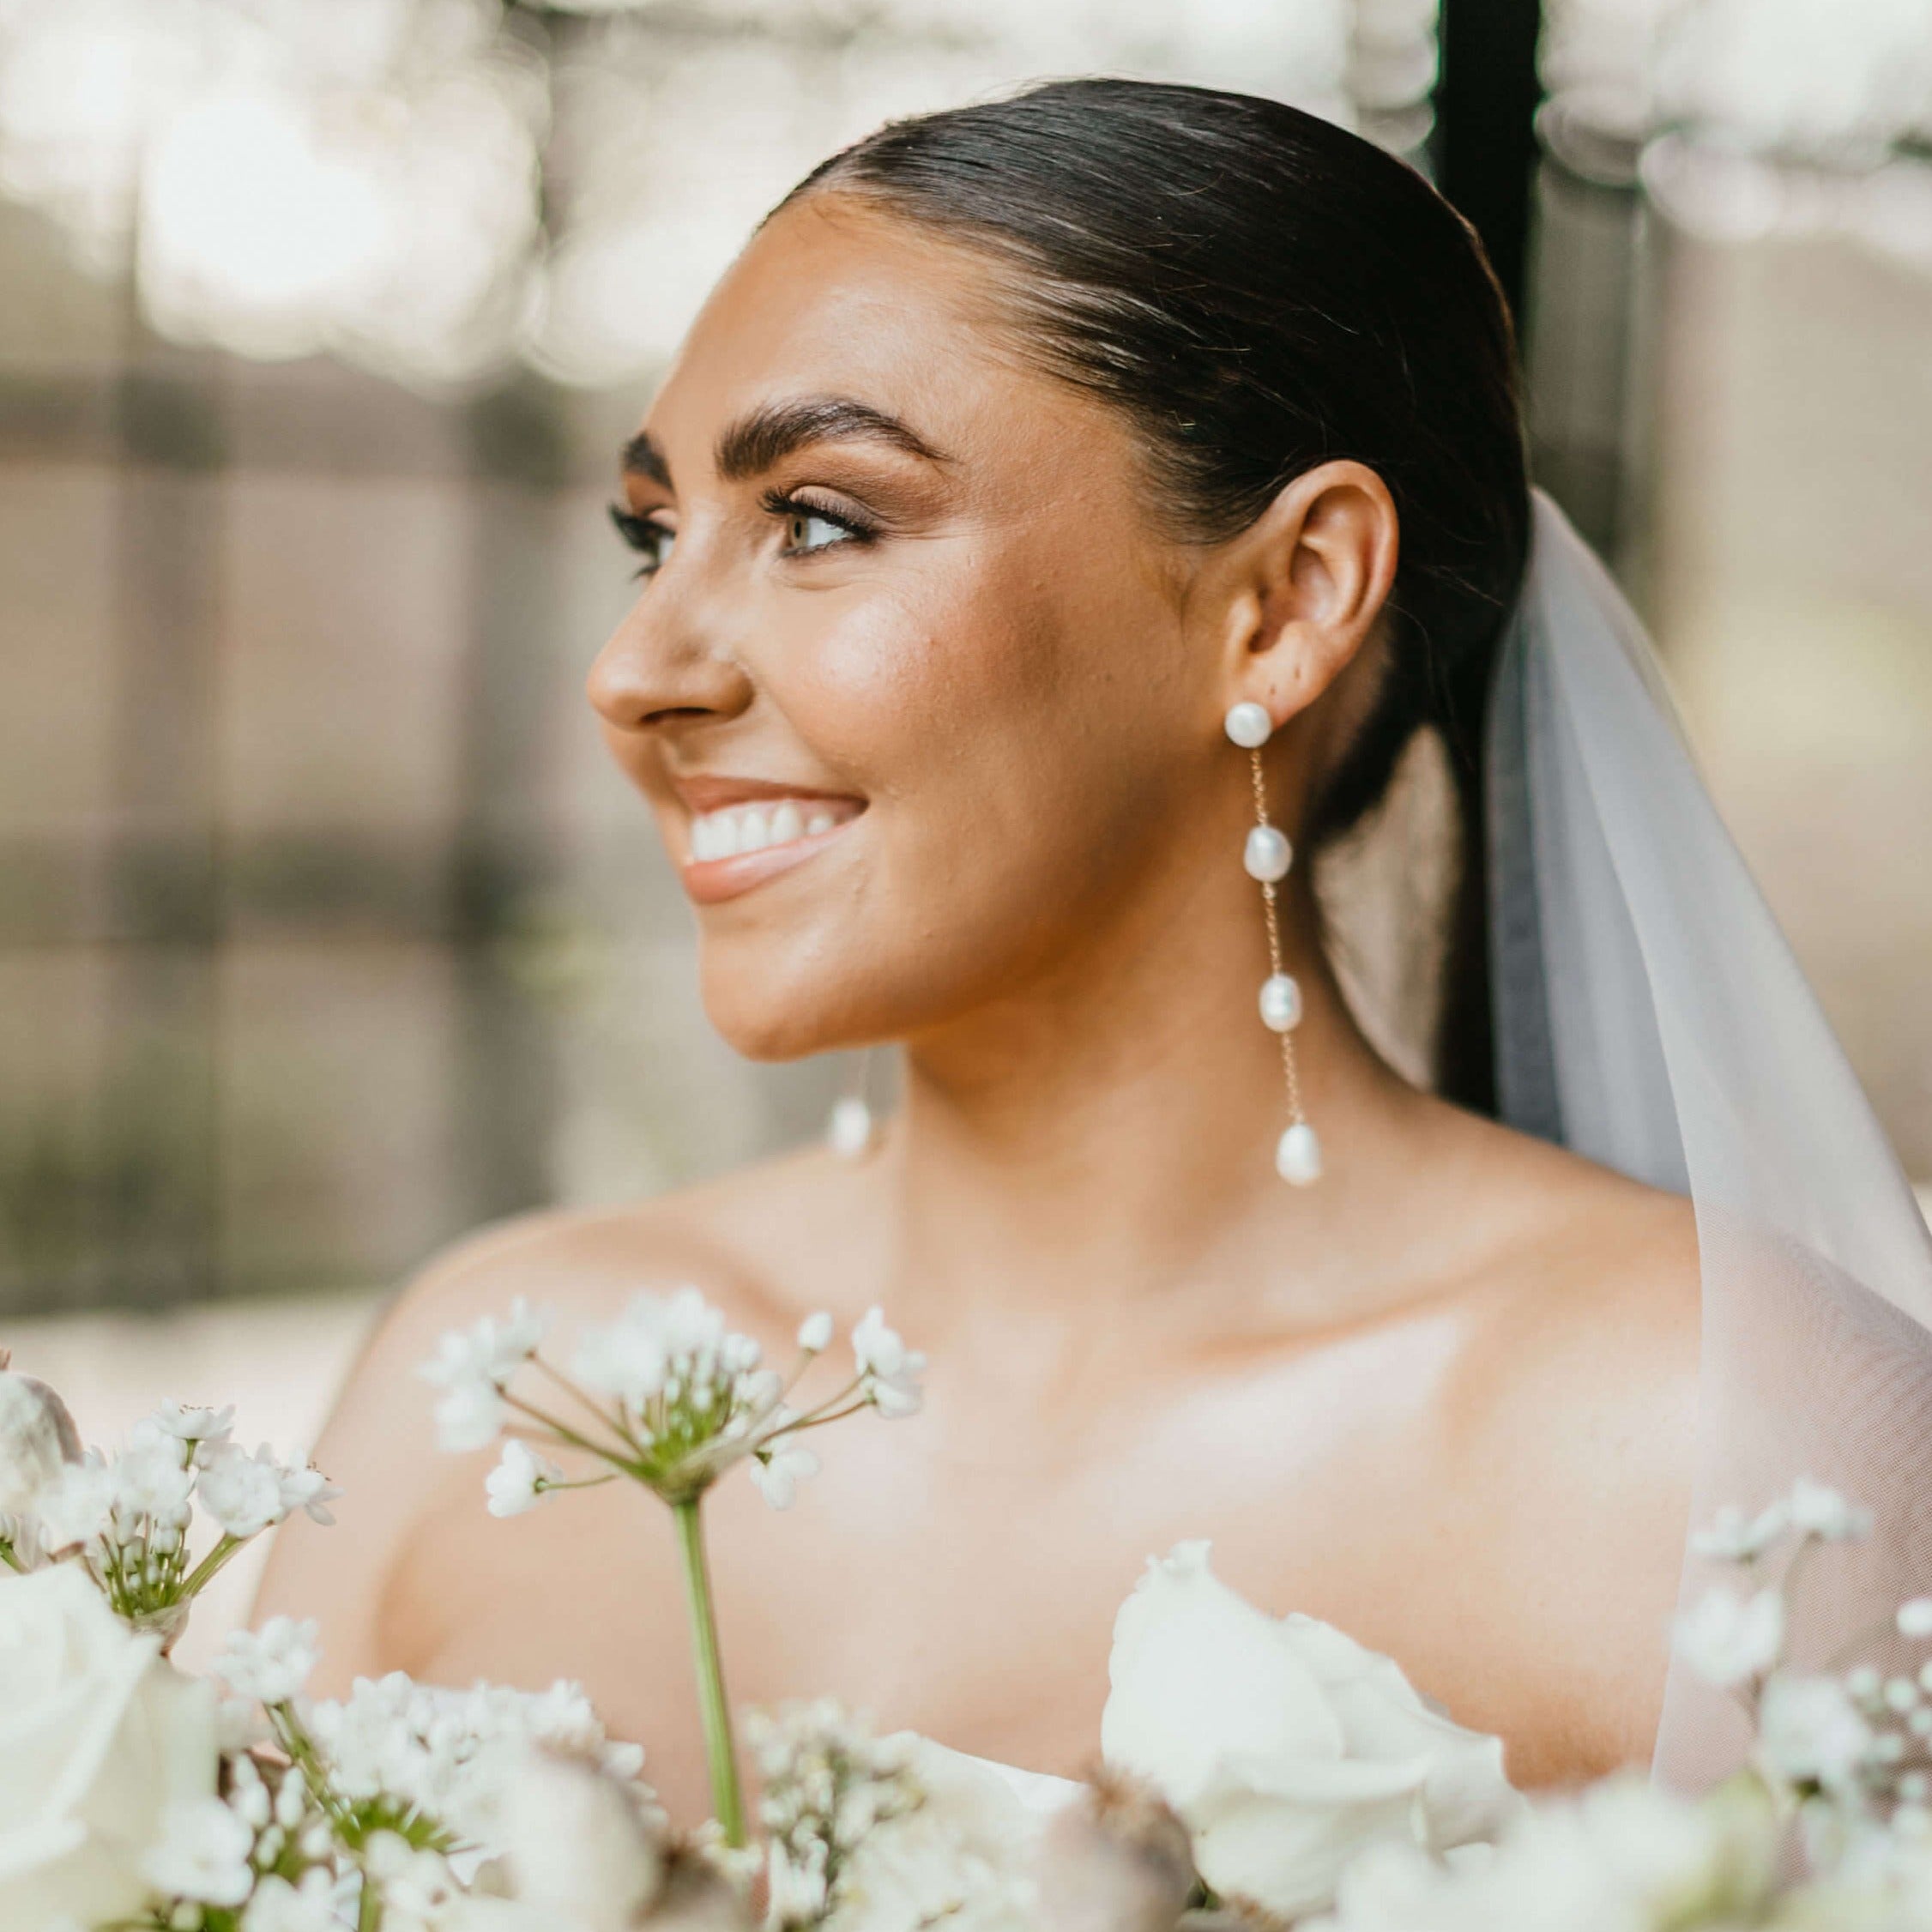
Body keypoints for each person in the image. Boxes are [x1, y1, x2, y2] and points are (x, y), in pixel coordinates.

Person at [256, 77, 1932, 1826]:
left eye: (820, 520)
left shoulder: (1717, 1455)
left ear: (1283, 602)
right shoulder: (496, 1377)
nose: (635, 673)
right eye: (652, 537)